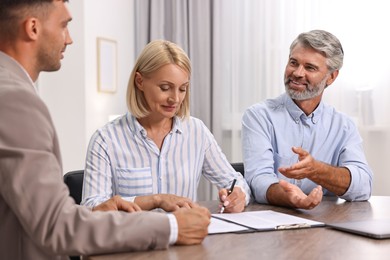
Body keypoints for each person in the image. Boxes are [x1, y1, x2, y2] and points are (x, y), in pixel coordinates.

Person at [0, 1, 211, 259]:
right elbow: (56, 225)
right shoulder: (14, 100)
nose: (70, 39)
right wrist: (172, 226)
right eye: (64, 25)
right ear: (33, 28)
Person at [81, 39, 251, 213]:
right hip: (134, 239)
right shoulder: (105, 139)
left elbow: (236, 182)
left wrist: (238, 195)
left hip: (187, 238)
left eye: (182, 89)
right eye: (165, 88)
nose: (175, 99)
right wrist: (156, 200)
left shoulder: (196, 132)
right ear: (139, 81)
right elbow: (91, 207)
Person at [242, 30, 373, 210]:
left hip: (327, 224)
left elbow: (363, 186)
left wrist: (316, 170)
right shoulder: (259, 116)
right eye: (293, 63)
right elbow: (259, 180)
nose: (297, 73)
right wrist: (292, 199)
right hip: (272, 222)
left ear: (331, 77)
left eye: (310, 67)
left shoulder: (344, 126)